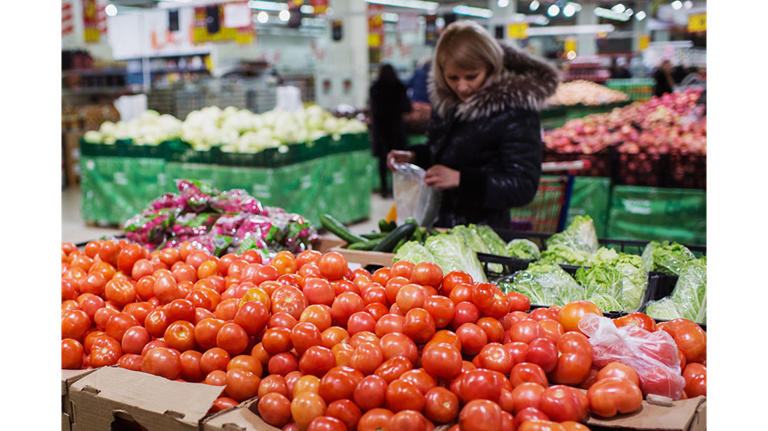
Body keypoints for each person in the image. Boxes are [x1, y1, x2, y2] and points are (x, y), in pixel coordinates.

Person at [386, 21, 559, 230]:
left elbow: (523, 186)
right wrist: (415, 156)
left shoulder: (515, 110)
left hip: (485, 235)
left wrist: (462, 180)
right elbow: (451, 153)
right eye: (452, 77)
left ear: (490, 66)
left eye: (471, 76)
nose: (462, 86)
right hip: (440, 227)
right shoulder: (448, 103)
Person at [369, 64, 412, 198]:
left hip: (381, 128)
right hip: (396, 128)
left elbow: (373, 109)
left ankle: (383, 190)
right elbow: (407, 107)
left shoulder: (375, 88)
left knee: (383, 160)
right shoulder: (399, 87)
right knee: (398, 160)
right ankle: (398, 189)